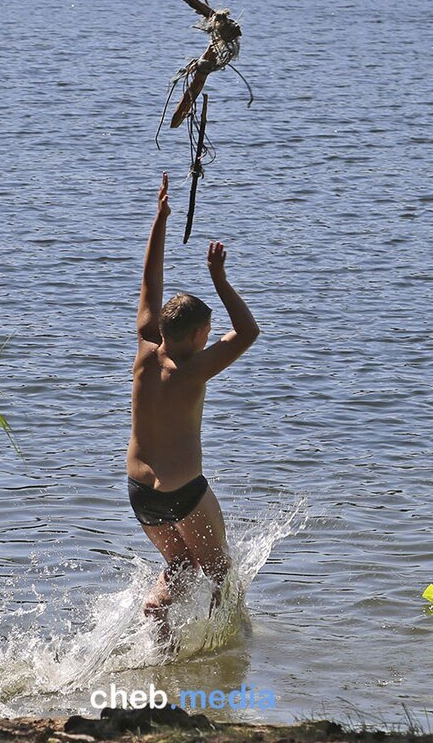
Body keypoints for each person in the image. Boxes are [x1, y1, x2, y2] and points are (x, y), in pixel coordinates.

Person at [127, 172, 259, 637]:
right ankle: (227, 650)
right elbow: (248, 332)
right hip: (184, 492)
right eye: (208, 330)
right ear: (198, 336)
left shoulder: (146, 348)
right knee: (221, 572)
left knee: (182, 564)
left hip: (139, 492)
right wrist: (219, 279)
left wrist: (160, 218)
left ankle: (159, 624)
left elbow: (150, 280)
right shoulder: (195, 369)